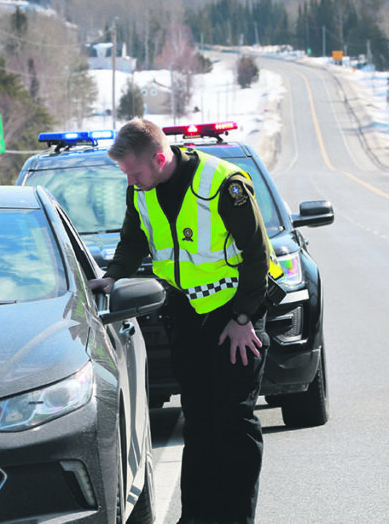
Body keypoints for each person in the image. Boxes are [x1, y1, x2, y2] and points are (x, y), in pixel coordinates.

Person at [89, 118, 277, 524]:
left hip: (235, 318)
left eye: (135, 172)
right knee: (200, 418)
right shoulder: (141, 189)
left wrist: (244, 318)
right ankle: (195, 517)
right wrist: (114, 274)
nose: (131, 180)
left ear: (159, 158)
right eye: (126, 174)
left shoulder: (222, 184)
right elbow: (134, 236)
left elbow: (257, 256)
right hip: (188, 317)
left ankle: (236, 518)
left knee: (234, 420)